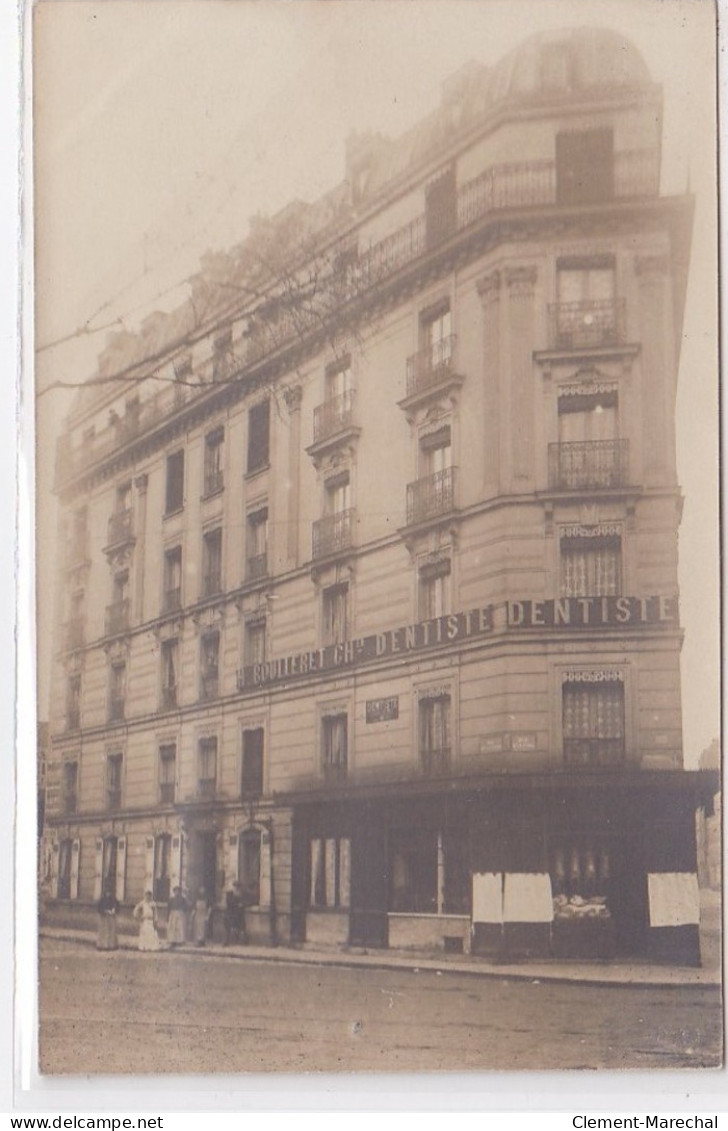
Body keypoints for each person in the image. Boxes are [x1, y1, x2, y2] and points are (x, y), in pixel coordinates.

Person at [96, 885, 120, 951]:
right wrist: (104, 911)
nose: (108, 894)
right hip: (104, 918)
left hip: (112, 917)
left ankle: (112, 945)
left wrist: (114, 910)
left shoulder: (114, 899)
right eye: (107, 892)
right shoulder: (102, 900)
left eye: (109, 892)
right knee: (104, 932)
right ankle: (103, 945)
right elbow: (99, 908)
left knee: (112, 931)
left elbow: (117, 906)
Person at [223, 881, 246, 946]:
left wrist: (242, 904)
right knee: (228, 928)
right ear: (233, 887)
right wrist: (237, 904)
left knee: (240, 928)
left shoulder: (241, 894)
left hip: (239, 914)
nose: (236, 888)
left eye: (238, 887)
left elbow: (246, 902)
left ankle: (238, 941)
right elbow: (229, 902)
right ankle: (226, 941)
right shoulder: (229, 894)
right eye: (235, 886)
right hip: (230, 913)